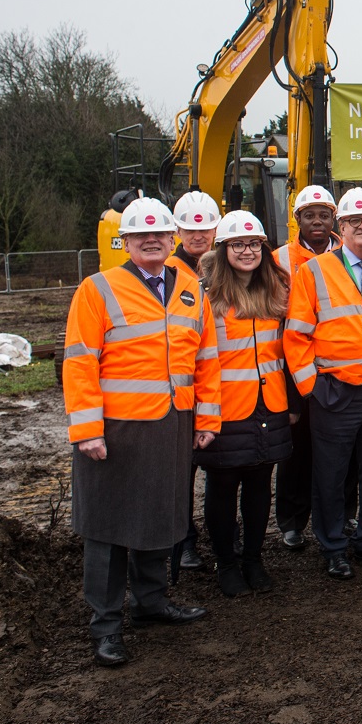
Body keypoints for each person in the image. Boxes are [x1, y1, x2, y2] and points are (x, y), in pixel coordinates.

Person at [63, 197, 219, 667]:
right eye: (139, 236)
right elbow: (79, 363)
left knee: (162, 517)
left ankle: (151, 602)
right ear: (126, 242)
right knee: (108, 528)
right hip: (115, 430)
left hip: (172, 423)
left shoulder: (191, 288)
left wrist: (206, 420)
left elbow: (206, 360)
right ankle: (106, 624)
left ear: (173, 240)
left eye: (160, 235)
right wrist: (87, 430)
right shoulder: (97, 289)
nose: (151, 242)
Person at [284, 187, 362, 579]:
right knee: (331, 474)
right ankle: (333, 546)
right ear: (342, 227)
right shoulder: (314, 271)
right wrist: (312, 388)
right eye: (355, 221)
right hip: (335, 392)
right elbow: (296, 335)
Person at [195, 210, 292, 597]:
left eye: (254, 244)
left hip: (269, 405)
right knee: (221, 488)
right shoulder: (208, 298)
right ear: (223, 250)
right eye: (238, 244)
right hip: (224, 409)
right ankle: (226, 563)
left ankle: (254, 559)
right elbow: (199, 360)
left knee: (259, 487)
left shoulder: (276, 293)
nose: (247, 251)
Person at [272, 184, 356, 552]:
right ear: (298, 220)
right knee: (297, 448)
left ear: (333, 218)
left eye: (324, 215)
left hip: (339, 368)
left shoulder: (350, 253)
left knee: (345, 449)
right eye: (310, 215)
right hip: (297, 367)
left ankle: (345, 512)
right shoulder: (279, 260)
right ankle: (292, 521)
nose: (318, 221)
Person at [167, 189, 220, 569]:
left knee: (220, 468)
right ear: (178, 232)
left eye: (204, 229)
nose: (198, 236)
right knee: (179, 474)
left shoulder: (228, 265)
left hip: (219, 384)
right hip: (178, 387)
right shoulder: (167, 273)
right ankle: (183, 541)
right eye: (190, 229)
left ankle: (219, 534)